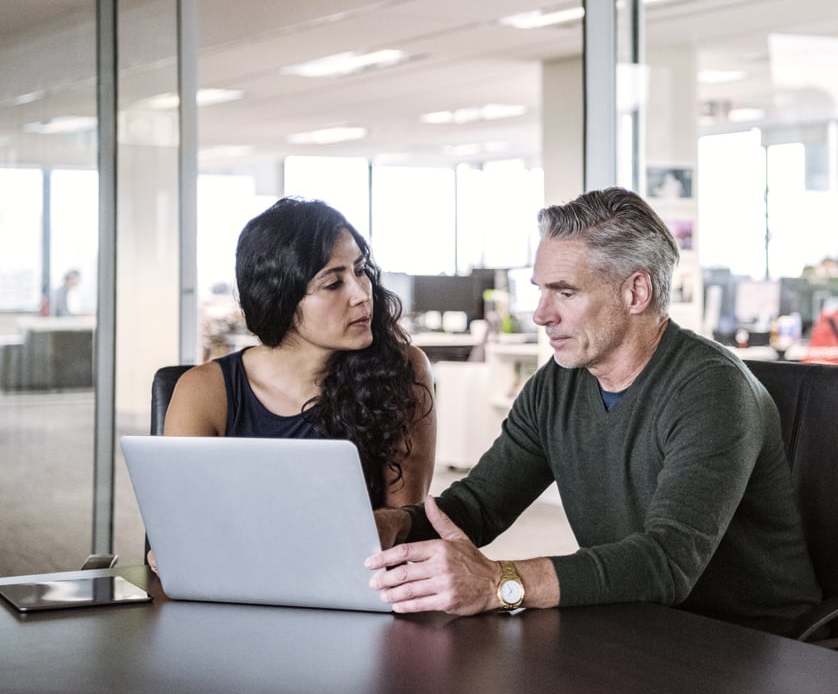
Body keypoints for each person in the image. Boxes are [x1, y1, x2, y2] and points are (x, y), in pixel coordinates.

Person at [366, 187, 821, 636]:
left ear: (636, 292)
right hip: (637, 624)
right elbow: (478, 506)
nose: (542, 314)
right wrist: (384, 529)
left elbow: (666, 561)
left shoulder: (713, 389)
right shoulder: (558, 383)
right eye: (540, 291)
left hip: (753, 643)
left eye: (564, 292)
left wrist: (498, 582)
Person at [165, 197, 436, 510]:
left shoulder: (400, 370)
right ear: (281, 300)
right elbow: (181, 518)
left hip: (358, 560)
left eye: (361, 270)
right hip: (240, 559)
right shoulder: (205, 391)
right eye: (333, 284)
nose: (362, 295)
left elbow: (402, 523)